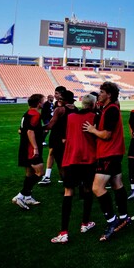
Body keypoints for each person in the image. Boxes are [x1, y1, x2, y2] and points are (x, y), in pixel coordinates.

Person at [82, 81, 130, 242]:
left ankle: (112, 220)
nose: (99, 94)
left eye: (101, 92)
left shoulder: (110, 110)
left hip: (108, 154)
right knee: (117, 183)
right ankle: (124, 216)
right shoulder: (108, 109)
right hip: (114, 153)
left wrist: (92, 130)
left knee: (97, 187)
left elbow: (106, 135)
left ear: (109, 94)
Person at [50, 94, 98, 244]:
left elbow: (66, 135)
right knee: (88, 189)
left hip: (71, 158)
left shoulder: (70, 117)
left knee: (68, 192)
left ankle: (64, 232)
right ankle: (85, 223)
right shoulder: (94, 117)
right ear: (93, 104)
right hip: (88, 158)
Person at [12, 93, 45, 210]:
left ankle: (28, 197)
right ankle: (21, 195)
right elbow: (29, 132)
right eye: (43, 100)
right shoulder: (36, 114)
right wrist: (35, 147)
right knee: (40, 173)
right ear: (39, 103)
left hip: (24, 147)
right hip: (31, 149)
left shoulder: (26, 114)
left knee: (29, 173)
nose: (44, 102)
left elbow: (20, 131)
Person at [41, 88, 77, 185]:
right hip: (70, 138)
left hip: (58, 137)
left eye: (60, 99)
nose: (58, 100)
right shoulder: (76, 109)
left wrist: (36, 128)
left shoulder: (59, 109)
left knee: (60, 162)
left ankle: (68, 186)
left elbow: (50, 125)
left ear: (65, 100)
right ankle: (73, 182)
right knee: (69, 160)